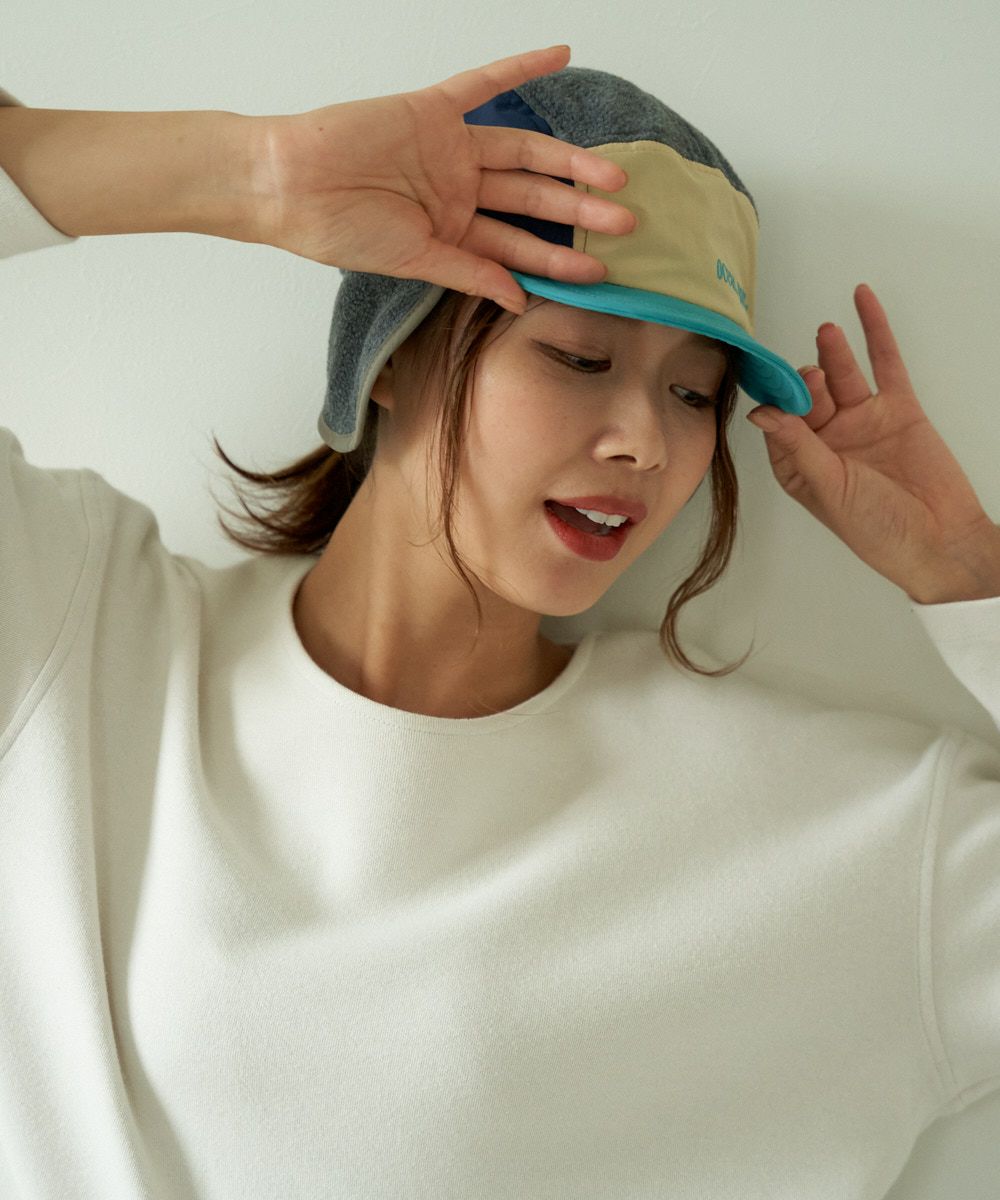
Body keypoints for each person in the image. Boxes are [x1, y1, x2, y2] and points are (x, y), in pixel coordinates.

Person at [0, 44, 998, 1199]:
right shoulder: (78, 624)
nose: (646, 441)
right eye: (579, 355)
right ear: (390, 355)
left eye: (693, 392)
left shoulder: (832, 836)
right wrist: (257, 174)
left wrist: (966, 570)